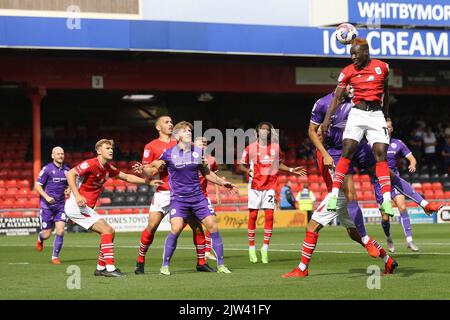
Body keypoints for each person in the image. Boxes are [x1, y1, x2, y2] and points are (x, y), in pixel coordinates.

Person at [65, 139, 162, 277]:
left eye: (111, 148)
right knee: (107, 230)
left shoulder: (108, 168)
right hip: (77, 205)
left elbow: (127, 177)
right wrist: (77, 195)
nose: (111, 150)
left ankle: (100, 268)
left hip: (84, 206)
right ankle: (110, 269)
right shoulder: (91, 163)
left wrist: (148, 181)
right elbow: (70, 173)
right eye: (107, 148)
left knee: (110, 232)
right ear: (99, 151)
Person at [133, 116, 214, 274]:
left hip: (184, 194)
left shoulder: (187, 144)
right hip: (163, 192)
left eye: (171, 122)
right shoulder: (151, 146)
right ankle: (140, 261)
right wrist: (143, 170)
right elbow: (149, 171)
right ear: (158, 127)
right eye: (166, 122)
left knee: (197, 226)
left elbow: (200, 163)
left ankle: (201, 262)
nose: (170, 124)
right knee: (152, 227)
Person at [321, 38, 393, 216]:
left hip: (376, 115)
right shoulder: (347, 71)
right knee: (348, 150)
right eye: (351, 54)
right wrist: (326, 120)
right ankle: (334, 195)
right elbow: (337, 98)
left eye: (355, 53)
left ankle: (387, 201)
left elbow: (387, 93)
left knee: (380, 154)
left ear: (365, 53)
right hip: (357, 113)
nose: (352, 57)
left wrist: (387, 117)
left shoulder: (383, 67)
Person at [158, 121, 237, 275]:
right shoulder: (168, 153)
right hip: (179, 199)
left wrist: (223, 183)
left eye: (190, 131)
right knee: (176, 228)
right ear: (178, 135)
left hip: (198, 198)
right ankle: (165, 265)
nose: (189, 133)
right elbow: (154, 166)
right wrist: (146, 169)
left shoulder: (198, 151)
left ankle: (221, 265)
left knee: (213, 226)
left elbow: (206, 173)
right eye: (186, 131)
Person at [239, 121, 306, 264]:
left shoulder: (275, 147)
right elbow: (241, 164)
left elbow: (278, 164)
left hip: (270, 185)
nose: (265, 131)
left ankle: (265, 249)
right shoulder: (250, 148)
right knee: (253, 215)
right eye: (262, 129)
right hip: (255, 186)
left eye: (267, 130)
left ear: (269, 133)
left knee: (269, 216)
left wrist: (291, 170)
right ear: (257, 131)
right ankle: (251, 248)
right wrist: (247, 170)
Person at [373, 119, 420, 252]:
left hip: (394, 181)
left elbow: (412, 157)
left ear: (392, 129)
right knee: (385, 217)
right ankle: (388, 237)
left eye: (389, 127)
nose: (387, 129)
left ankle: (409, 240)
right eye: (385, 127)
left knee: (402, 206)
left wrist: (412, 163)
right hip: (379, 183)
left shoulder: (397, 143)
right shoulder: (374, 144)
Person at [35, 147, 70, 264]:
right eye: (58, 154)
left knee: (60, 231)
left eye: (62, 154)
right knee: (47, 234)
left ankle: (55, 257)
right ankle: (40, 238)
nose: (60, 156)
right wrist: (46, 197)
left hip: (60, 205)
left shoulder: (67, 170)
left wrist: (68, 189)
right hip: (47, 206)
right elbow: (37, 186)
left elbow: (71, 184)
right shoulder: (47, 169)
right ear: (53, 156)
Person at [194, 136, 220, 261]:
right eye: (200, 143)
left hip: (203, 196)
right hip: (187, 197)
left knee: (212, 222)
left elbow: (213, 176)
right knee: (179, 227)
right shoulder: (188, 157)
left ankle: (207, 251)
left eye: (205, 143)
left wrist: (217, 193)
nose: (203, 145)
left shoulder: (211, 159)